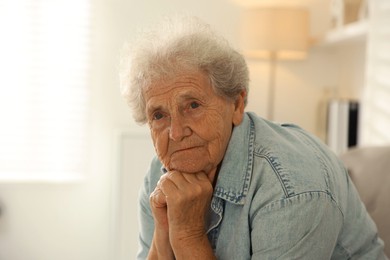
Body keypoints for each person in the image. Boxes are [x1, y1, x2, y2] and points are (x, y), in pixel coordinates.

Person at [120, 16, 386, 260]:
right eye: (158, 115)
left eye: (193, 106)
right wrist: (165, 226)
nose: (176, 133)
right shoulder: (160, 173)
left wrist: (188, 234)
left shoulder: (292, 189)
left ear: (237, 105)